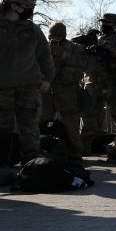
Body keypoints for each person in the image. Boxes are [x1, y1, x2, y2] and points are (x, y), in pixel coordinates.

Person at [0, 0, 54, 163]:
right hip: (2, 88)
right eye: (27, 6)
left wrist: (47, 79)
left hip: (29, 86)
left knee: (29, 126)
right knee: (2, 127)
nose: (30, 10)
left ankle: (32, 163)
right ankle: (2, 163)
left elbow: (45, 56)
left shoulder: (32, 30)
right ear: (14, 6)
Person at [81, 13, 116, 142]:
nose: (104, 25)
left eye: (107, 22)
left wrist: (104, 47)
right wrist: (85, 43)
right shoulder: (95, 38)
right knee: (89, 115)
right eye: (103, 22)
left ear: (115, 24)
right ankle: (87, 145)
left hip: (112, 82)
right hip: (92, 82)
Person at [42, 22, 87, 157]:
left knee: (70, 121)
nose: (53, 39)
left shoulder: (73, 48)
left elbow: (80, 67)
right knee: (46, 121)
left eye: (55, 36)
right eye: (51, 36)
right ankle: (46, 146)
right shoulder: (45, 48)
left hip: (66, 91)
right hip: (48, 92)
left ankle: (75, 150)